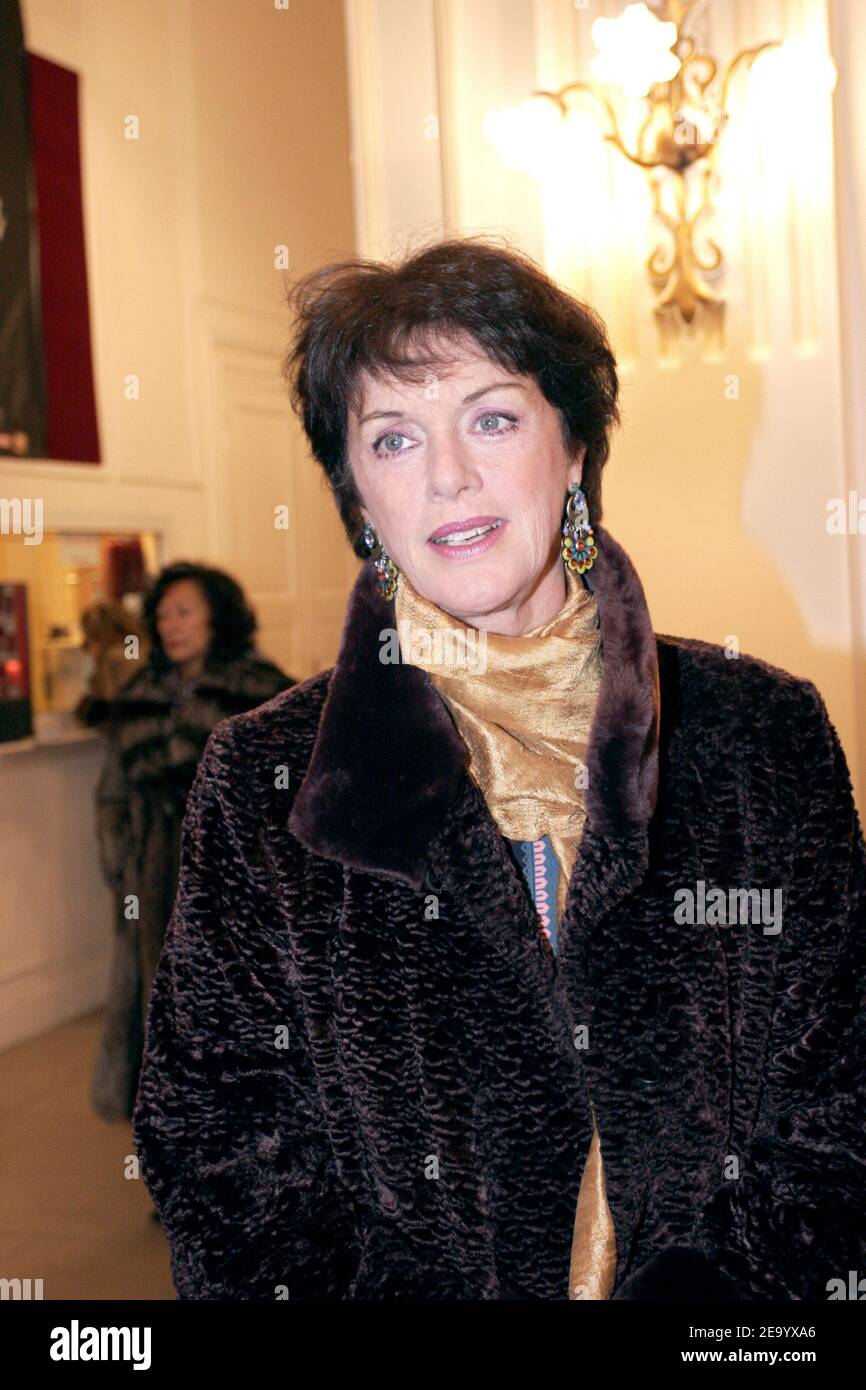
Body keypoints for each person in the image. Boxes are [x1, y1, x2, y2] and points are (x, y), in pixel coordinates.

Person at [132, 237, 866, 1300]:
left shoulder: (759, 732)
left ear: (571, 449)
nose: (445, 475)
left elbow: (836, 1112)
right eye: (391, 439)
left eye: (490, 417)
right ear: (358, 500)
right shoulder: (265, 779)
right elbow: (214, 1145)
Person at [90, 562, 294, 1125]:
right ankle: (183, 1170)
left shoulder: (261, 691)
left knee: (241, 1024)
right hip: (155, 894)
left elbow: (291, 792)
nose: (171, 625)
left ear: (217, 618)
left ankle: (255, 1165)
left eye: (185, 612)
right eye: (162, 615)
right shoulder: (138, 697)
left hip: (240, 893)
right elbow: (111, 793)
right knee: (169, 1023)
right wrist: (122, 857)